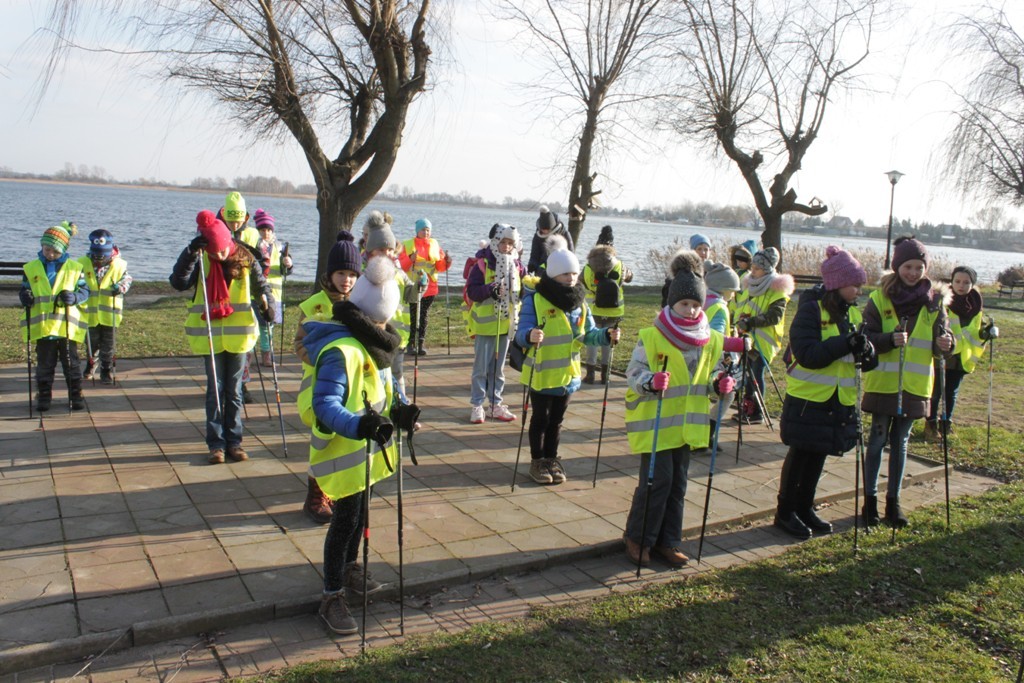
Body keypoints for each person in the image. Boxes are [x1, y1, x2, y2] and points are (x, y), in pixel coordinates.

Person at [306, 255, 418, 635]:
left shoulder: (377, 345)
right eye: (381, 321)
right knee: (344, 522)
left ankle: (351, 568)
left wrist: (400, 411)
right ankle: (331, 595)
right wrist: (359, 425)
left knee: (361, 518)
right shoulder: (342, 349)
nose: (386, 328)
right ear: (369, 316)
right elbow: (324, 404)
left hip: (368, 451)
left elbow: (384, 391)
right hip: (344, 450)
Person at [622, 250, 747, 566]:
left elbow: (711, 375)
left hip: (687, 427)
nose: (690, 310)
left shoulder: (708, 339)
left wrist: (720, 384)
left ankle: (668, 541)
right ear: (672, 304)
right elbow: (633, 373)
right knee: (656, 483)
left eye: (695, 304)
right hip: (656, 424)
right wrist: (650, 381)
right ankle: (638, 538)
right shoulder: (653, 335)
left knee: (678, 485)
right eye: (684, 304)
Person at [775, 246, 876, 539]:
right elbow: (808, 354)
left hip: (837, 400)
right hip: (808, 399)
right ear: (837, 284)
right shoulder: (811, 310)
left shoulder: (853, 313)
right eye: (854, 284)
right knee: (801, 455)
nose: (858, 290)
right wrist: (846, 343)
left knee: (818, 455)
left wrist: (866, 350)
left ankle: (805, 507)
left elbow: (866, 360)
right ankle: (785, 511)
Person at [861, 236, 953, 528]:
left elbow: (941, 344)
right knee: (876, 442)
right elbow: (866, 339)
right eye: (908, 266)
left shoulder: (935, 302)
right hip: (884, 383)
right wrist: (888, 340)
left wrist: (945, 342)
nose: (913, 273)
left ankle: (894, 501)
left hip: (914, 385)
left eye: (919, 267)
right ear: (897, 266)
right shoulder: (879, 298)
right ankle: (870, 501)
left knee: (900, 443)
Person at [169, 210, 273, 464]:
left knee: (234, 392)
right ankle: (216, 444)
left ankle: (234, 442)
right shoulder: (202, 259)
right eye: (214, 252)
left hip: (239, 338)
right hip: (211, 337)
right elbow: (178, 282)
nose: (219, 256)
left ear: (228, 243)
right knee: (215, 391)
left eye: (222, 251)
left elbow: (264, 288)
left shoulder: (246, 259)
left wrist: (269, 308)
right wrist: (190, 253)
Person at [515, 236, 620, 485]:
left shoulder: (579, 304)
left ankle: (552, 458)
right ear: (553, 275)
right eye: (565, 274)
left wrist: (606, 335)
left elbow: (588, 335)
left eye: (574, 274)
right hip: (541, 373)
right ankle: (537, 460)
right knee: (540, 419)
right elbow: (520, 333)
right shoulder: (536, 300)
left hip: (568, 374)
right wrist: (529, 336)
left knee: (557, 421)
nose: (571, 279)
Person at [294, 230, 363, 524]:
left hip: (352, 388)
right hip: (319, 390)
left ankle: (337, 489)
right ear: (329, 273)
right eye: (340, 273)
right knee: (321, 440)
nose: (346, 280)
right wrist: (323, 359)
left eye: (351, 274)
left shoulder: (361, 305)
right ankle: (316, 492)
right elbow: (299, 344)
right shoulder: (314, 306)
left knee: (344, 442)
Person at [19, 222, 89, 412]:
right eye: (47, 249)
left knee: (71, 364)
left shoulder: (75, 268)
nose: (50, 254)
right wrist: (25, 297)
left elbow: (85, 291)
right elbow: (25, 290)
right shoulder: (31, 267)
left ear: (64, 251)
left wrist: (74, 297)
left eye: (55, 252)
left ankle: (75, 395)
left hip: (66, 326)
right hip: (43, 327)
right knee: (44, 365)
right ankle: (43, 396)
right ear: (42, 246)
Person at [924, 265, 998, 441]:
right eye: (957, 281)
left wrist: (986, 332)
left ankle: (946, 423)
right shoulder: (942, 299)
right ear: (952, 281)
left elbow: (975, 331)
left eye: (966, 282)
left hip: (961, 357)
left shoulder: (976, 304)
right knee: (935, 392)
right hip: (942, 354)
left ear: (972, 284)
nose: (961, 285)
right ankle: (930, 425)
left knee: (951, 392)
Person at [466, 223, 525, 424]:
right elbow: (472, 291)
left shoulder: (517, 265)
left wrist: (526, 291)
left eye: (511, 243)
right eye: (503, 243)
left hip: (506, 325)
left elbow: (523, 288)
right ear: (495, 242)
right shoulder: (482, 264)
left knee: (498, 369)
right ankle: (477, 404)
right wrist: (490, 290)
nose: (507, 247)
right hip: (485, 326)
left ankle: (495, 403)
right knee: (481, 368)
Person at [733, 247, 794, 424]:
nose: (753, 271)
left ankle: (756, 412)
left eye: (757, 268)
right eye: (753, 267)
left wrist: (751, 322)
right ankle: (747, 407)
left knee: (756, 374)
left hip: (763, 341)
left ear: (766, 269)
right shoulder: (749, 284)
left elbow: (774, 316)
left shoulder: (777, 289)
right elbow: (741, 306)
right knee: (746, 374)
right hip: (746, 338)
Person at [217, 191, 263, 403]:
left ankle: (242, 385)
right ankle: (222, 386)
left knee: (246, 347)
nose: (234, 225)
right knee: (223, 346)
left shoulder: (252, 234)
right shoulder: (215, 231)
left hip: (246, 296)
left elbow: (263, 262)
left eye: (238, 220)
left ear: (245, 217)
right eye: (230, 220)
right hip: (221, 296)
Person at [79, 229, 132, 384]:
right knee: (91, 342)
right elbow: (77, 281)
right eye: (96, 254)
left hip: (110, 312)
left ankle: (106, 369)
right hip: (90, 313)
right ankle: (91, 363)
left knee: (108, 345)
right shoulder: (82, 263)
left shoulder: (120, 264)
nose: (99, 258)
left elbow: (127, 279)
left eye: (103, 254)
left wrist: (121, 287)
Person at [581, 225, 633, 384]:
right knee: (609, 342)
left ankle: (590, 374)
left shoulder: (589, 266)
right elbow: (630, 277)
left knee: (592, 340)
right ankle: (606, 375)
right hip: (614, 311)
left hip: (593, 310)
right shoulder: (620, 265)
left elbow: (581, 281)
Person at [399, 218, 452, 356]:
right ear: (417, 231)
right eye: (423, 229)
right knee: (412, 315)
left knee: (423, 315)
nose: (426, 232)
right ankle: (410, 343)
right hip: (413, 287)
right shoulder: (408, 244)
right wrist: (411, 258)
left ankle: (420, 342)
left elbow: (440, 267)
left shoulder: (435, 245)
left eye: (428, 230)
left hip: (430, 287)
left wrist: (447, 262)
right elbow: (401, 266)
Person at [703, 261, 741, 431]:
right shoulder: (719, 308)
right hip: (714, 359)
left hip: (699, 355)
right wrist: (735, 344)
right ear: (724, 289)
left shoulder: (703, 299)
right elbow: (716, 337)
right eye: (732, 291)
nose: (733, 295)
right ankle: (709, 428)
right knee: (728, 394)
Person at [253, 209, 293, 365]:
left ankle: (267, 355)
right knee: (254, 325)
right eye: (263, 230)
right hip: (256, 294)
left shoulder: (279, 247)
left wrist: (288, 265)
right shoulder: (254, 247)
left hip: (274, 294)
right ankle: (248, 355)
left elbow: (286, 271)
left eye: (269, 230)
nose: (266, 233)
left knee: (268, 326)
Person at [526, 205, 574, 275]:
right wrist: (532, 265)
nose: (545, 232)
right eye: (543, 230)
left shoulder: (565, 234)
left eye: (547, 230)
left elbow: (571, 254)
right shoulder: (537, 236)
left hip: (560, 269)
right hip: (542, 269)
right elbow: (534, 254)